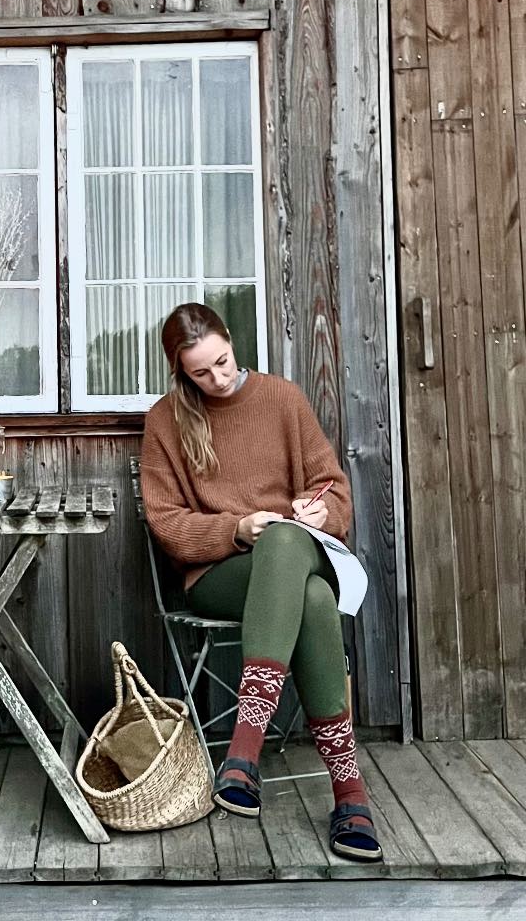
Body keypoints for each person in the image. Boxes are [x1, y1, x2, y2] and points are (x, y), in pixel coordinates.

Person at [140, 302, 382, 863]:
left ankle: (242, 757)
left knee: (291, 547)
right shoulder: (166, 420)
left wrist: (323, 514)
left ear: (231, 341)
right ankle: (350, 794)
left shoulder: (282, 398)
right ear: (181, 372)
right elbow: (167, 523)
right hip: (218, 574)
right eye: (201, 373)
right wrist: (236, 528)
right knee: (310, 590)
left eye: (222, 362)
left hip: (296, 552)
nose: (218, 379)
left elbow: (332, 486)